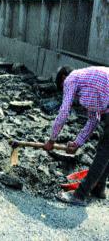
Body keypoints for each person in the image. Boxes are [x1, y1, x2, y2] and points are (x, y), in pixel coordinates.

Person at [43, 66, 109, 206]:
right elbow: (94, 119)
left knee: (104, 151)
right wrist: (77, 143)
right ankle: (99, 188)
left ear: (63, 79)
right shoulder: (89, 85)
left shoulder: (71, 79)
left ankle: (80, 195)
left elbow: (64, 111)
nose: (70, 96)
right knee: (106, 149)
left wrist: (52, 139)